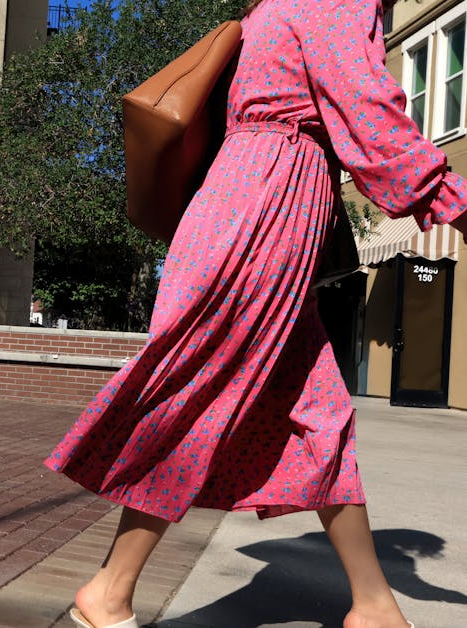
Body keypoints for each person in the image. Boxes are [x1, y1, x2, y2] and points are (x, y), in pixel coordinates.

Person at [44, 0, 467, 627]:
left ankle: (374, 605)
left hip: (254, 196)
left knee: (318, 411)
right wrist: (448, 196)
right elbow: (367, 111)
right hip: (268, 202)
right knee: (202, 390)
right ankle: (109, 588)